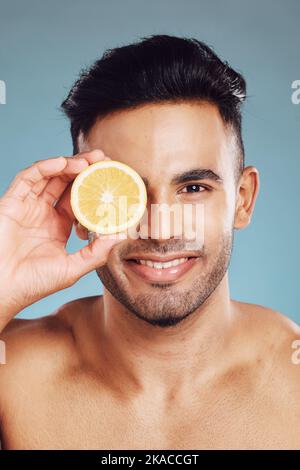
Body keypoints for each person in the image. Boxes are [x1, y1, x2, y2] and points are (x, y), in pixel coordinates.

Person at [0, 34, 299, 450]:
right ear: (81, 209)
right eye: (128, 193)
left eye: (193, 188)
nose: (159, 230)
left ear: (243, 200)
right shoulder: (12, 375)